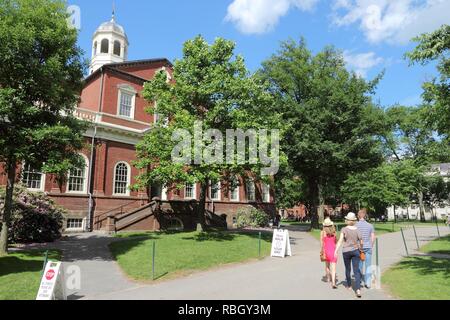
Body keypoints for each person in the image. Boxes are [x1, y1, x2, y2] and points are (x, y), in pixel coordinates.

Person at [335, 212, 363, 298]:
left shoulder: (344, 229)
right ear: (354, 220)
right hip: (355, 250)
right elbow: (361, 241)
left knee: (348, 269)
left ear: (347, 220)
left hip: (346, 251)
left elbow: (340, 240)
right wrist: (361, 249)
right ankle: (358, 289)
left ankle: (349, 286)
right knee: (356, 270)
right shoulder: (357, 229)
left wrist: (335, 250)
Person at [356, 209, 376, 289]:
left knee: (359, 265)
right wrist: (371, 245)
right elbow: (373, 237)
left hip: (359, 247)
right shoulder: (370, 225)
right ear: (365, 216)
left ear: (358, 215)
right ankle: (368, 283)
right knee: (368, 265)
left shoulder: (356, 225)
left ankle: (360, 280)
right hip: (368, 247)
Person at [320, 218, 338, 289]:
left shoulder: (322, 232)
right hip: (333, 251)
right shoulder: (334, 232)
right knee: (333, 268)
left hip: (326, 251)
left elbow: (322, 243)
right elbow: (335, 242)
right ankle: (333, 282)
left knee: (327, 266)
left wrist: (321, 250)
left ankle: (328, 278)